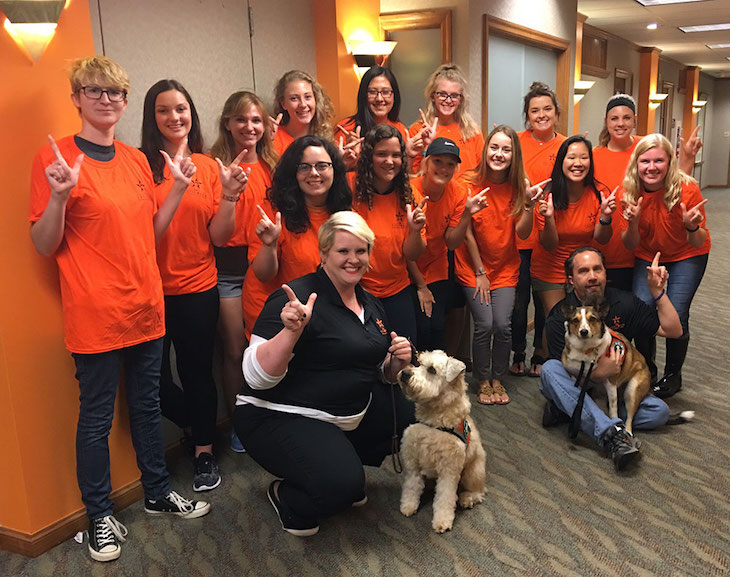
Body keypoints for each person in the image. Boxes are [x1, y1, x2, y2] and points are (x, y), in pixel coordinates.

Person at [29, 56, 209, 563]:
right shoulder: (59, 159)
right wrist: (60, 197)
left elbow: (148, 235)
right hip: (95, 315)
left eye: (116, 93)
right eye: (95, 91)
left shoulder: (133, 159)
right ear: (76, 97)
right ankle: (99, 516)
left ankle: (156, 492)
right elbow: (44, 244)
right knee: (96, 420)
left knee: (148, 408)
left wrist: (175, 188)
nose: (106, 100)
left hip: (146, 308)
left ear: (126, 102)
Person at [233, 211, 414, 536]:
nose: (353, 259)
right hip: (278, 415)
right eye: (343, 251)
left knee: (409, 416)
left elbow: (374, 370)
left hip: (340, 412)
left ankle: (335, 462)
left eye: (361, 251)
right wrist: (290, 332)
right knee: (342, 486)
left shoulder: (369, 303)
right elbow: (255, 377)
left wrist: (394, 366)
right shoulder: (295, 299)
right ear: (324, 253)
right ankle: (289, 496)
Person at [140, 79, 248, 489]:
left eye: (181, 109)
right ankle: (196, 419)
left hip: (199, 288)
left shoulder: (206, 166)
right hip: (151, 290)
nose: (174, 117)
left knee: (197, 372)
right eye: (164, 110)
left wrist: (230, 197)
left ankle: (203, 450)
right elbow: (144, 235)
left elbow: (219, 237)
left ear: (192, 114)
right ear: (152, 118)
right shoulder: (141, 166)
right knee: (151, 381)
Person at [540, 247, 682, 471]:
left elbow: (674, 330)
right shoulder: (562, 316)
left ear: (606, 272)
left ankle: (576, 414)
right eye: (583, 271)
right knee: (549, 370)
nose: (593, 276)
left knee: (659, 412)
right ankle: (612, 434)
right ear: (571, 279)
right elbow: (564, 375)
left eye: (598, 269)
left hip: (611, 391)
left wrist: (658, 292)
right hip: (581, 388)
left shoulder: (624, 303)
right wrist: (599, 373)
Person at [454, 126, 546, 405]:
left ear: (513, 155)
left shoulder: (520, 185)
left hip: (506, 267)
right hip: (472, 266)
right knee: (484, 323)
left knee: (503, 325)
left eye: (506, 149)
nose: (499, 154)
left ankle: (498, 378)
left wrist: (529, 205)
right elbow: (466, 230)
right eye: (494, 147)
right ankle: (482, 379)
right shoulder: (468, 181)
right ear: (486, 150)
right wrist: (480, 272)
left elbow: (522, 232)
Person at [209, 90, 278, 452]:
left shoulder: (274, 164)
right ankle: (240, 424)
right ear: (227, 124)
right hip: (229, 272)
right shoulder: (213, 166)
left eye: (256, 120)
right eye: (241, 119)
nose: (249, 127)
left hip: (268, 267)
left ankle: (270, 418)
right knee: (236, 349)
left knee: (268, 347)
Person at [622, 133, 711, 399]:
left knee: (677, 310)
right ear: (636, 164)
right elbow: (629, 244)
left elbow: (698, 242)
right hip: (648, 253)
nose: (651, 167)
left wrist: (691, 225)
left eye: (658, 160)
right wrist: (633, 222)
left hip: (687, 254)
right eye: (645, 161)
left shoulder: (688, 188)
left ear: (670, 161)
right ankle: (647, 368)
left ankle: (673, 375)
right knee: (642, 308)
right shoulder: (628, 190)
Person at [244, 135, 353, 337]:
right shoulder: (273, 211)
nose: (313, 173)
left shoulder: (345, 211)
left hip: (324, 311)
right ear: (293, 173)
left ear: (334, 169)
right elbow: (263, 275)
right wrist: (269, 244)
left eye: (322, 166)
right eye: (304, 167)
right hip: (277, 313)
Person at [592, 96, 702, 294]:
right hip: (610, 246)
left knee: (644, 311)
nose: (620, 123)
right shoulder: (594, 156)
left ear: (634, 119)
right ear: (606, 121)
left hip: (643, 249)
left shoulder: (648, 147)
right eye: (614, 118)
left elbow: (674, 181)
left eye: (626, 118)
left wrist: (687, 158)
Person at [408, 137, 487, 352]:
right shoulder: (409, 191)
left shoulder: (459, 192)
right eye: (438, 162)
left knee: (436, 325)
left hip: (436, 265)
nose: (443, 169)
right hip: (408, 267)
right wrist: (421, 287)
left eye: (450, 164)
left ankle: (440, 378)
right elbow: (405, 249)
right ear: (426, 162)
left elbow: (452, 243)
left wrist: (466, 216)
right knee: (421, 326)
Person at [352, 124, 427, 344]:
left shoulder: (411, 195)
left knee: (405, 351)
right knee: (365, 352)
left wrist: (415, 230)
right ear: (369, 157)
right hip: (358, 288)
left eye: (396, 155)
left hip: (397, 288)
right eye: (381, 154)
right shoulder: (350, 188)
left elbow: (412, 254)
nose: (389, 161)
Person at [512, 82, 567, 378]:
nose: (542, 115)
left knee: (546, 301)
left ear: (556, 113)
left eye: (547, 109)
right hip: (521, 232)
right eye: (535, 110)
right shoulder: (517, 141)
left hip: (551, 236)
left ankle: (541, 352)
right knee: (519, 302)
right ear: (527, 115)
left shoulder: (566, 146)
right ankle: (518, 351)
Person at [531, 135, 616, 317]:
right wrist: (549, 218)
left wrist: (606, 216)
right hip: (550, 268)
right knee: (559, 322)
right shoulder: (546, 195)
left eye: (584, 158)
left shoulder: (599, 193)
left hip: (584, 269)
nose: (578, 163)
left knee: (585, 323)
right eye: (571, 157)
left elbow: (602, 238)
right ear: (562, 161)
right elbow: (549, 244)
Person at [337, 66, 430, 164]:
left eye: (385, 92)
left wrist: (410, 155)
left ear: (395, 96)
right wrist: (348, 162)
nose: (379, 99)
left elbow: (406, 176)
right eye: (372, 92)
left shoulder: (401, 130)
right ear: (363, 95)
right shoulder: (346, 129)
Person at [408, 64, 484, 174]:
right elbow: (413, 177)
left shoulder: (472, 131)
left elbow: (482, 172)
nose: (448, 100)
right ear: (433, 96)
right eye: (442, 94)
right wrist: (426, 147)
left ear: (461, 100)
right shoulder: (419, 131)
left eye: (454, 95)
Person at [271, 70, 335, 154]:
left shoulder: (327, 137)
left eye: (307, 97)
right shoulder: (273, 139)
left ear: (315, 99)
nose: (303, 104)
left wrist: (344, 163)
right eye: (294, 98)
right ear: (283, 103)